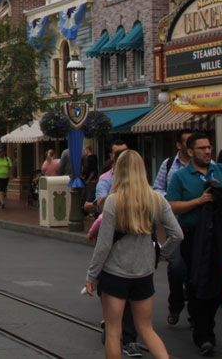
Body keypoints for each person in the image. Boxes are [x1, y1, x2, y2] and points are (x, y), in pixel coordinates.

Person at [86, 150, 181, 359]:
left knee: (113, 332)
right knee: (146, 329)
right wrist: (159, 255)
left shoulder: (113, 201)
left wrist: (91, 276)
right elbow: (177, 234)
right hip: (144, 273)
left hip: (115, 273)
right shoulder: (157, 200)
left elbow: (103, 245)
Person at [166, 132, 222, 356]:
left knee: (218, 283)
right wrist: (198, 201)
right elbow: (171, 206)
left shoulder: (220, 170)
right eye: (202, 148)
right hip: (192, 236)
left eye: (209, 147)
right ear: (190, 152)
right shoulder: (181, 176)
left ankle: (205, 323)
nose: (208, 152)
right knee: (196, 283)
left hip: (218, 235)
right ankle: (204, 334)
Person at [152, 129, 193, 327]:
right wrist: (169, 200)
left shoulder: (206, 165)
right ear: (179, 145)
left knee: (197, 270)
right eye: (187, 142)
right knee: (176, 267)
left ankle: (196, 313)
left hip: (199, 225)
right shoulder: (168, 165)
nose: (191, 146)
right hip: (175, 222)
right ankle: (175, 304)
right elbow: (157, 188)